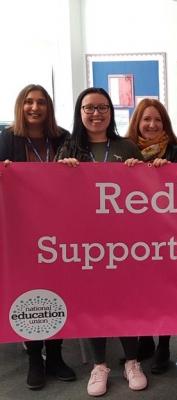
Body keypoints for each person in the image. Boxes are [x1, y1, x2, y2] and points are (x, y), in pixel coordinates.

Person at [57, 88, 147, 397]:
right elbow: (53, 197)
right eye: (89, 108)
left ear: (111, 112)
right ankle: (99, 365)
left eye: (103, 107)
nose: (96, 113)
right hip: (84, 244)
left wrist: (142, 173)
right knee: (93, 302)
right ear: (80, 112)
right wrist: (61, 174)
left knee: (127, 302)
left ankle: (132, 361)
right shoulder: (68, 148)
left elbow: (149, 194)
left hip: (123, 243)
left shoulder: (126, 146)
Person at [0, 84, 75, 390]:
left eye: (41, 102)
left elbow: (81, 178)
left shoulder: (63, 137)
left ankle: (55, 355)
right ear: (21, 105)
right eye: (29, 102)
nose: (34, 107)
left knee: (58, 289)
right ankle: (35, 356)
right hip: (22, 230)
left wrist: (74, 168)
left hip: (59, 229)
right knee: (29, 292)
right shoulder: (8, 138)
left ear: (49, 107)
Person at [124, 98, 177, 374]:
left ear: (165, 124)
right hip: (132, 235)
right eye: (146, 119)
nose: (151, 125)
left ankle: (164, 345)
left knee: (164, 291)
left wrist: (167, 173)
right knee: (139, 289)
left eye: (157, 120)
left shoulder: (176, 150)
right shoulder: (124, 150)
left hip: (165, 233)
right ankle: (145, 340)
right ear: (137, 122)